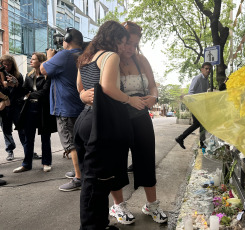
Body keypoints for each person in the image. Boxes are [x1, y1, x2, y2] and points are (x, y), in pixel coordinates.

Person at [81, 21, 167, 225]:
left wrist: (153, 97)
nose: (129, 48)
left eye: (134, 44)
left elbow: (153, 86)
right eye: (126, 43)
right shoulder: (109, 57)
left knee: (146, 157)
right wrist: (83, 95)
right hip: (115, 118)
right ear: (117, 40)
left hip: (140, 116)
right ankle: (118, 205)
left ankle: (151, 203)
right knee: (115, 163)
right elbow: (85, 84)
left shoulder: (141, 60)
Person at [75, 20, 140, 230]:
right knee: (97, 182)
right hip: (101, 123)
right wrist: (131, 100)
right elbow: (108, 88)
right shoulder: (110, 56)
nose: (123, 47)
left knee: (91, 178)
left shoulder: (86, 57)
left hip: (85, 119)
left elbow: (80, 88)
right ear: (113, 39)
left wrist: (83, 96)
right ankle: (92, 227)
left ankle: (100, 224)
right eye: (122, 42)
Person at [40, 28, 84, 191]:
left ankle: (79, 178)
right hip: (80, 106)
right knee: (80, 142)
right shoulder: (84, 54)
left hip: (65, 107)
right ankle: (81, 171)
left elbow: (43, 70)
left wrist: (50, 57)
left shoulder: (64, 55)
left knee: (71, 143)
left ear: (67, 39)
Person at [13, 52, 57, 173]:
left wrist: (29, 94)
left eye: (33, 59)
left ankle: (46, 163)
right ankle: (26, 164)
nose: (30, 61)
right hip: (30, 108)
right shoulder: (29, 75)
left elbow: (45, 92)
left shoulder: (48, 76)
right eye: (31, 59)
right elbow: (24, 90)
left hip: (43, 109)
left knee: (45, 137)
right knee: (28, 138)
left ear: (41, 61)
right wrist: (16, 84)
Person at [175, 62, 212, 149]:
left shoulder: (206, 80)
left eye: (209, 69)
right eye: (206, 68)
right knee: (197, 124)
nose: (208, 70)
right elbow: (191, 92)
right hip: (195, 105)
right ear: (202, 69)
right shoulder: (198, 78)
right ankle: (181, 138)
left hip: (201, 106)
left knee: (202, 124)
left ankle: (201, 143)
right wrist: (194, 104)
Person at [0, 55, 26, 161]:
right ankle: (10, 151)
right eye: (4, 64)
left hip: (16, 106)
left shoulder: (17, 75)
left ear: (13, 65)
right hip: (4, 107)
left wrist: (15, 84)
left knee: (22, 128)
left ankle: (27, 149)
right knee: (6, 130)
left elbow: (23, 91)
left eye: (9, 64)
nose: (6, 67)